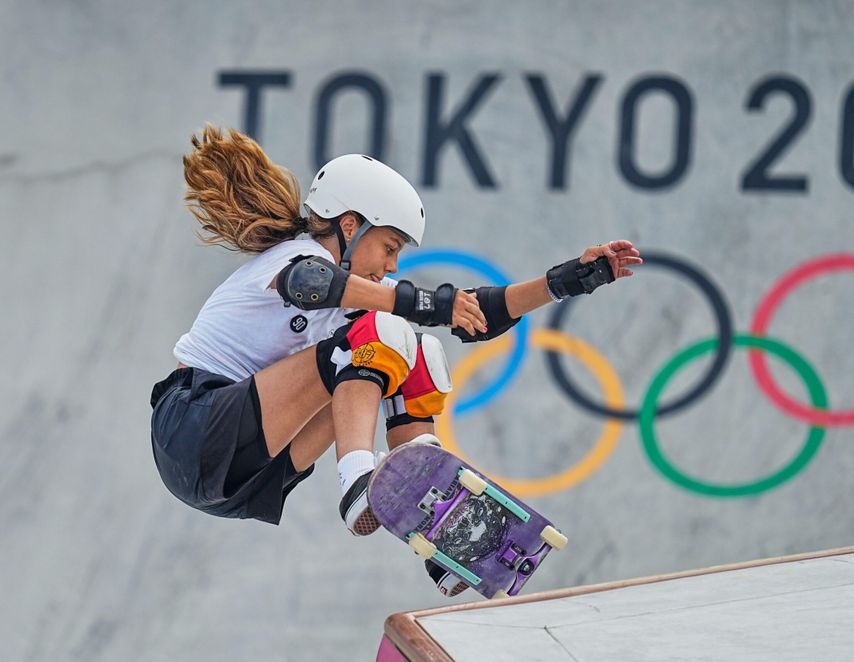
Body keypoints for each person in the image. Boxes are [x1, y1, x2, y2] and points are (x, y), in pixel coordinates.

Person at [149, 125, 642, 595]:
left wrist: (566, 281)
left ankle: (438, 530)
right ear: (349, 225)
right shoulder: (289, 261)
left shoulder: (362, 291)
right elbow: (313, 286)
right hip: (194, 425)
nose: (392, 265)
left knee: (417, 351)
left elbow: (481, 313)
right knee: (383, 332)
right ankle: (358, 480)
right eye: (388, 247)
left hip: (250, 478)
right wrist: (421, 302)